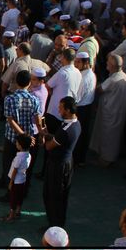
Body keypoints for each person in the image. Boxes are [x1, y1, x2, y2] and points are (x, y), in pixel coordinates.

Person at [42, 96, 81, 228]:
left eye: (61, 108)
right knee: (60, 195)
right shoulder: (76, 124)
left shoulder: (65, 130)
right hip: (66, 163)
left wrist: (44, 136)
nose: (59, 110)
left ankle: (55, 224)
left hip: (58, 166)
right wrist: (49, 135)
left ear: (68, 110)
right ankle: (56, 222)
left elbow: (49, 146)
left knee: (53, 196)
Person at [90, 54, 126, 166]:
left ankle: (105, 159)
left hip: (110, 111)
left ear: (112, 65)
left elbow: (100, 90)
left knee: (108, 135)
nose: (106, 63)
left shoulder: (113, 80)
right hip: (117, 110)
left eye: (108, 62)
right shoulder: (123, 75)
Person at [2, 134, 32, 222]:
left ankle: (11, 216)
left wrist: (11, 182)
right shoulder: (29, 155)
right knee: (19, 197)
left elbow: (14, 171)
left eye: (17, 143)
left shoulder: (18, 158)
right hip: (22, 180)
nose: (16, 144)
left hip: (16, 181)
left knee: (13, 199)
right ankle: (18, 212)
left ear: (20, 145)